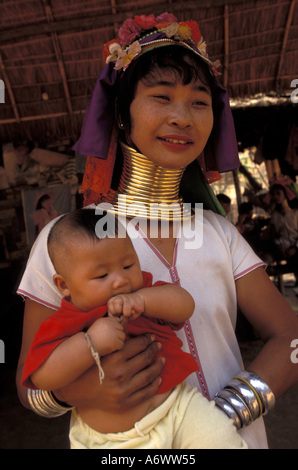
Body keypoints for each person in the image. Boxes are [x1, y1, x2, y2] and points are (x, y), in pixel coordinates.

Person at [16, 12, 298, 449]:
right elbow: (28, 385)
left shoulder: (219, 233)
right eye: (161, 97)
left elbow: (292, 339)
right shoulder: (67, 241)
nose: (183, 117)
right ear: (122, 115)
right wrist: (84, 391)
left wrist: (222, 415)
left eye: (199, 102)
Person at [21, 208, 247, 449]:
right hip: (112, 440)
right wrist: (90, 343)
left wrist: (144, 301)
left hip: (178, 409)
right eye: (102, 275)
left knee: (222, 438)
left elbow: (185, 305)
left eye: (128, 265)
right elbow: (41, 376)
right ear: (64, 285)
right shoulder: (64, 321)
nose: (120, 280)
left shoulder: (141, 295)